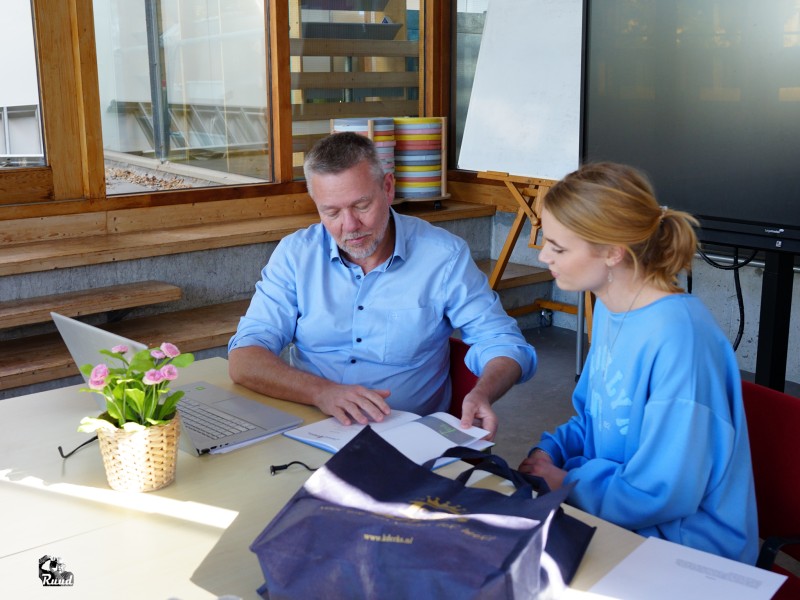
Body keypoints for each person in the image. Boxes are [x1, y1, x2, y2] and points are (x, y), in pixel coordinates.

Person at [518, 162, 758, 563]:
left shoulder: (681, 338)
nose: (544, 256)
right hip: (620, 518)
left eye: (559, 247)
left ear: (613, 252)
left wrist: (565, 481)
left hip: (686, 549)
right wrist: (550, 452)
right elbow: (594, 418)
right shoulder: (613, 308)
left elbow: (664, 491)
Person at [228, 132, 536, 438]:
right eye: (331, 212)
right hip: (310, 430)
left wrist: (481, 393)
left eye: (361, 206)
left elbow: (503, 343)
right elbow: (245, 358)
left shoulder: (443, 257)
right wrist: (322, 393)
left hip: (408, 441)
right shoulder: (296, 255)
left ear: (387, 188)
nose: (349, 226)